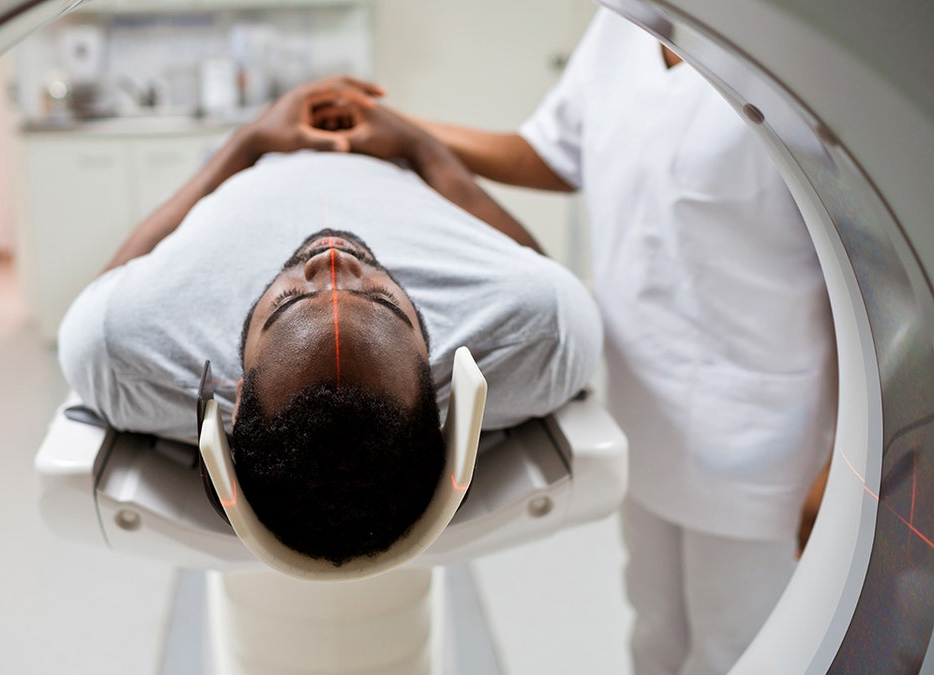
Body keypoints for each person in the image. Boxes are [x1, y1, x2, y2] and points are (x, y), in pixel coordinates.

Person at [396, 9, 837, 675]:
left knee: (737, 647)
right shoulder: (624, 27)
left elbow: (874, 278)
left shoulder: (802, 57)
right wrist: (401, 134)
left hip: (767, 441)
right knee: (655, 631)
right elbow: (549, 151)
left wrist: (848, 463)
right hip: (644, 415)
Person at [57, 77, 602, 566]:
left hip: (267, 157)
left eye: (288, 303)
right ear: (433, 385)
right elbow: (544, 275)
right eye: (388, 304)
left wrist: (246, 144)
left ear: (238, 396)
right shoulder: (536, 333)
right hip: (387, 158)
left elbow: (105, 292)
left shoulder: (125, 348)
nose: (334, 261)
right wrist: (418, 147)